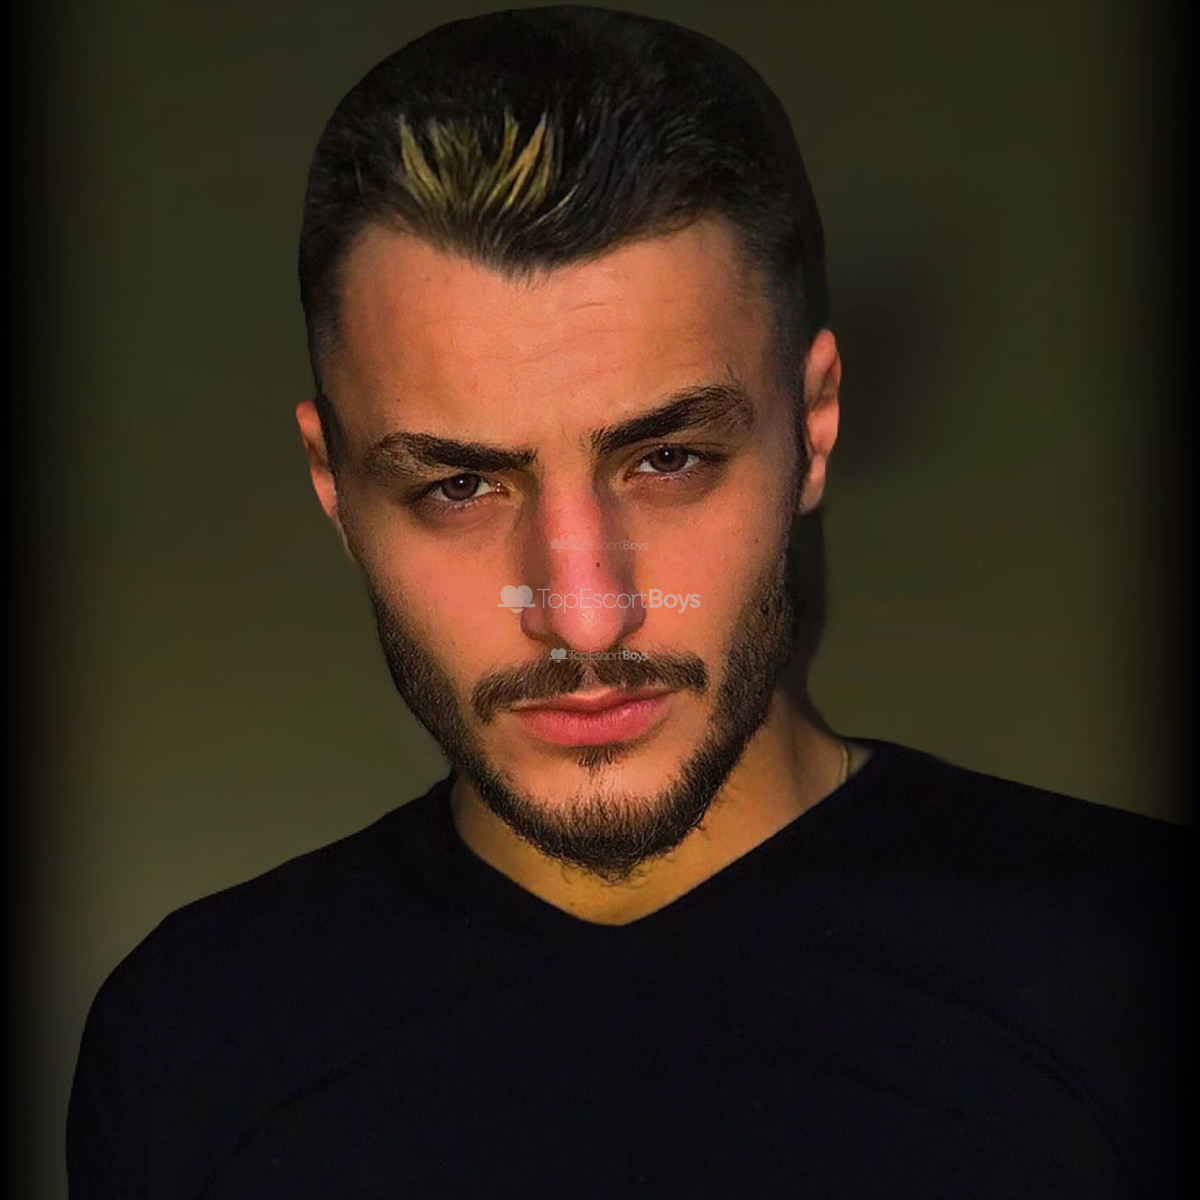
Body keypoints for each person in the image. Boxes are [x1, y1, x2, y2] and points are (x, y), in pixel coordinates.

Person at [67, 7, 1187, 1197]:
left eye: (668, 461)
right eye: (459, 486)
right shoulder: (193, 1035)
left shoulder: (1142, 967)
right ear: (332, 487)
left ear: (813, 429)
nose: (585, 614)